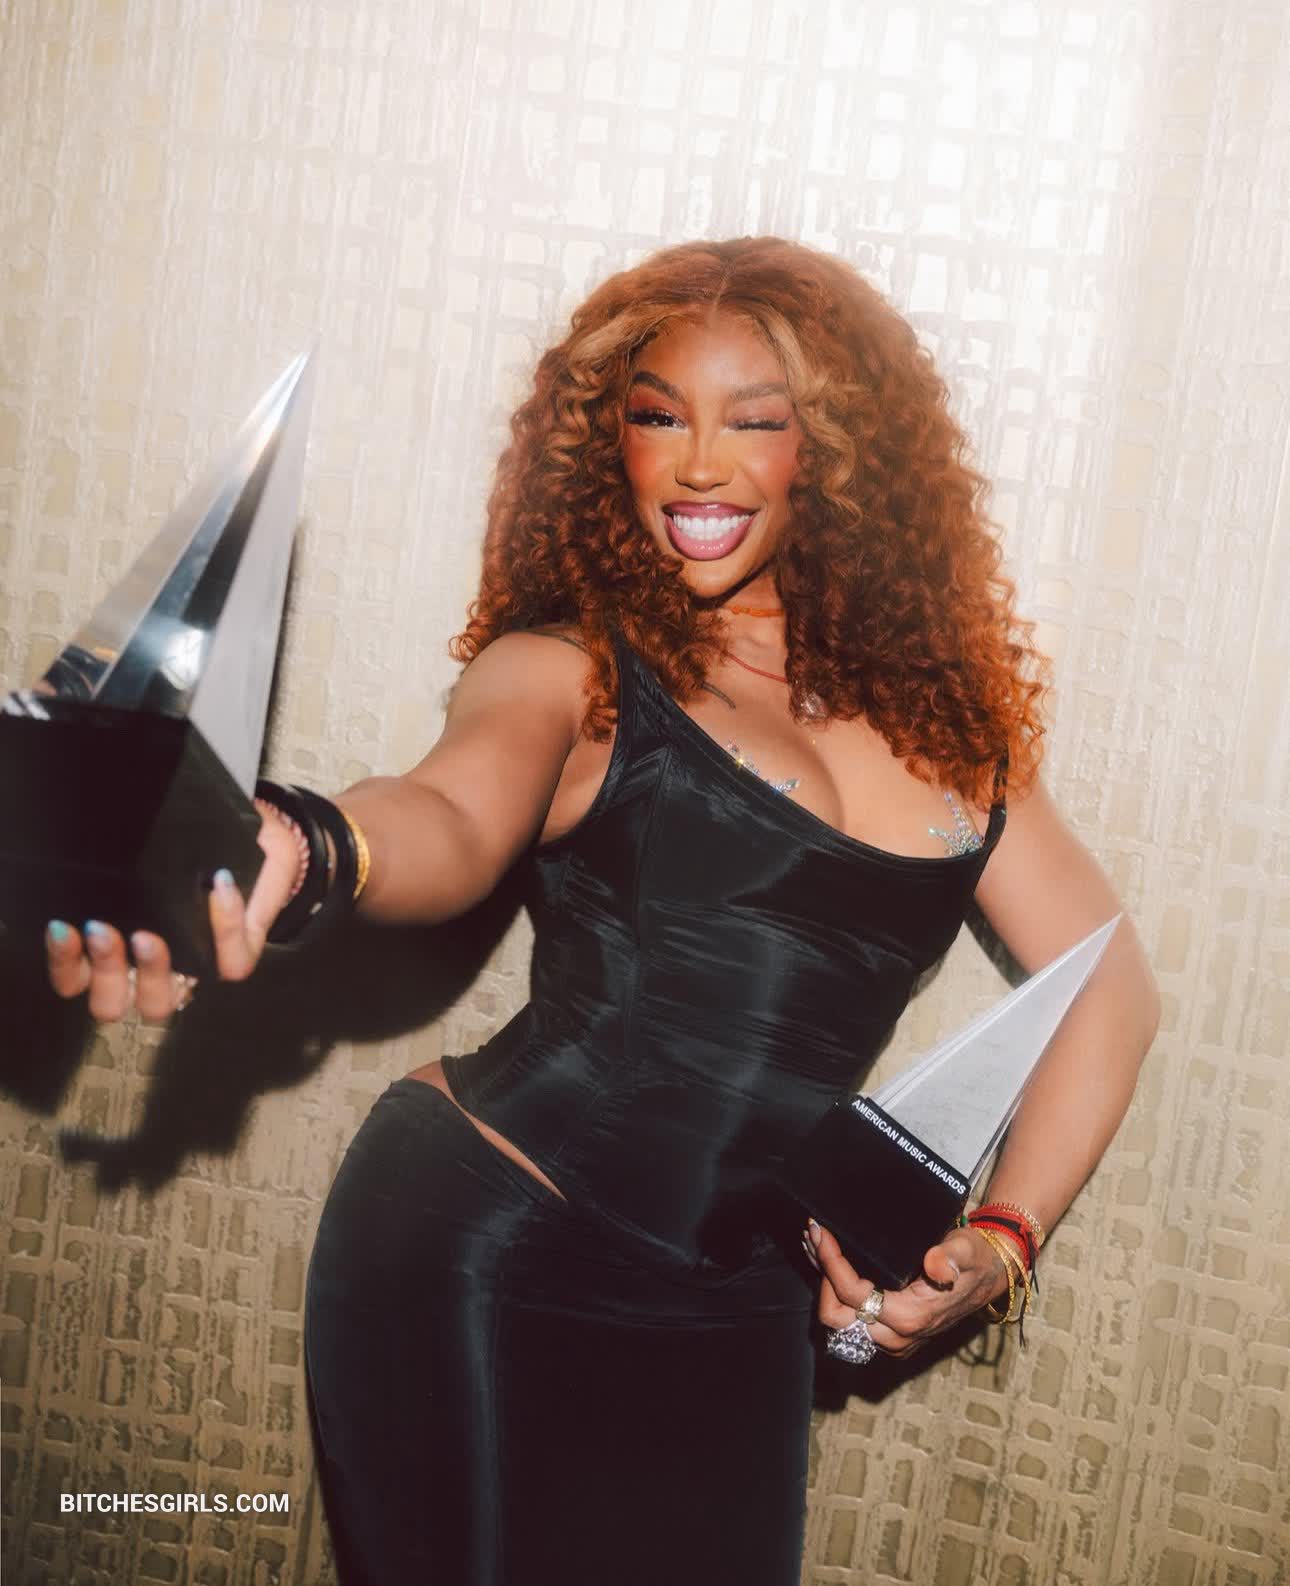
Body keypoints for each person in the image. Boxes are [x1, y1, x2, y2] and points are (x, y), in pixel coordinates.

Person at [45, 237, 1160, 1585]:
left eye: (755, 421)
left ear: (840, 453)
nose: (699, 465)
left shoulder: (950, 730)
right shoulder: (573, 668)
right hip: (496, 1244)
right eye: (658, 417)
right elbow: (451, 813)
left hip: (745, 1314)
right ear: (608, 444)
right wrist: (309, 842)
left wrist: (1001, 1236)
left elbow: (1109, 988)